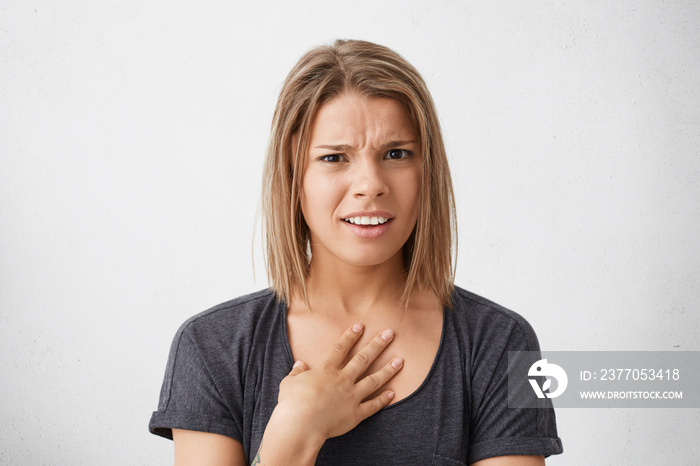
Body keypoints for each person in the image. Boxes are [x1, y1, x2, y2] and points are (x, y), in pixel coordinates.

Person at [149, 39, 563, 465]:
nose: (371, 184)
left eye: (396, 154)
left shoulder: (503, 345)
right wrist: (293, 434)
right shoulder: (210, 347)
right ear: (294, 176)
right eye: (334, 158)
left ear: (428, 172)